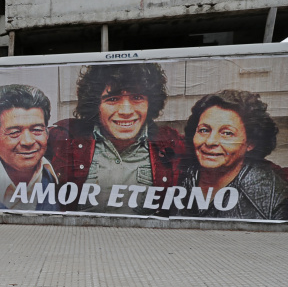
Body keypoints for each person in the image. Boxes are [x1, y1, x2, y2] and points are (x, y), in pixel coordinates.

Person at [47, 63, 185, 214]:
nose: (126, 111)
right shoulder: (65, 138)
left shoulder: (171, 144)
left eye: (137, 97)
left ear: (150, 103)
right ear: (96, 105)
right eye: (112, 99)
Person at [174, 90, 288, 219]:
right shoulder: (175, 175)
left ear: (250, 143)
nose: (210, 141)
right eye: (204, 130)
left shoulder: (274, 198)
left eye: (227, 133)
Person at [0, 84, 59, 211]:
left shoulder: (54, 174)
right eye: (14, 132)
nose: (28, 141)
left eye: (37, 130)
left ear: (47, 133)